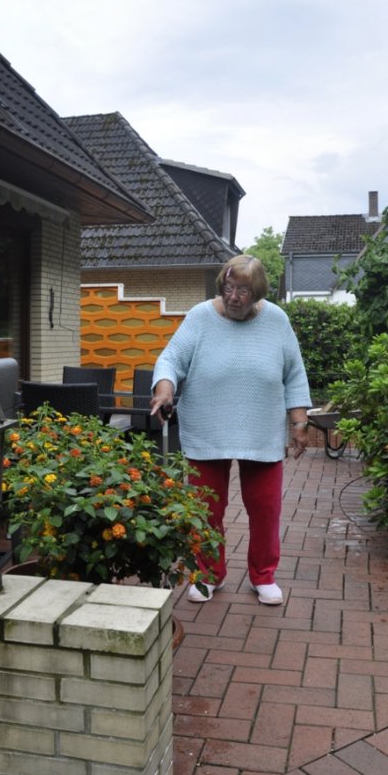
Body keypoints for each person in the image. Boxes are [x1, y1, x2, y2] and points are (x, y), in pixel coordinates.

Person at [150, 254, 312, 605]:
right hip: (208, 427)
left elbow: (294, 373)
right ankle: (209, 574)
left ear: (258, 293)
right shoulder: (200, 316)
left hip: (261, 430)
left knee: (266, 508)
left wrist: (299, 422)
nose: (233, 297)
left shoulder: (276, 320)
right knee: (206, 509)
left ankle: (263, 575)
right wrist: (164, 388)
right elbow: (171, 358)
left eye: (243, 291)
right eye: (228, 288)